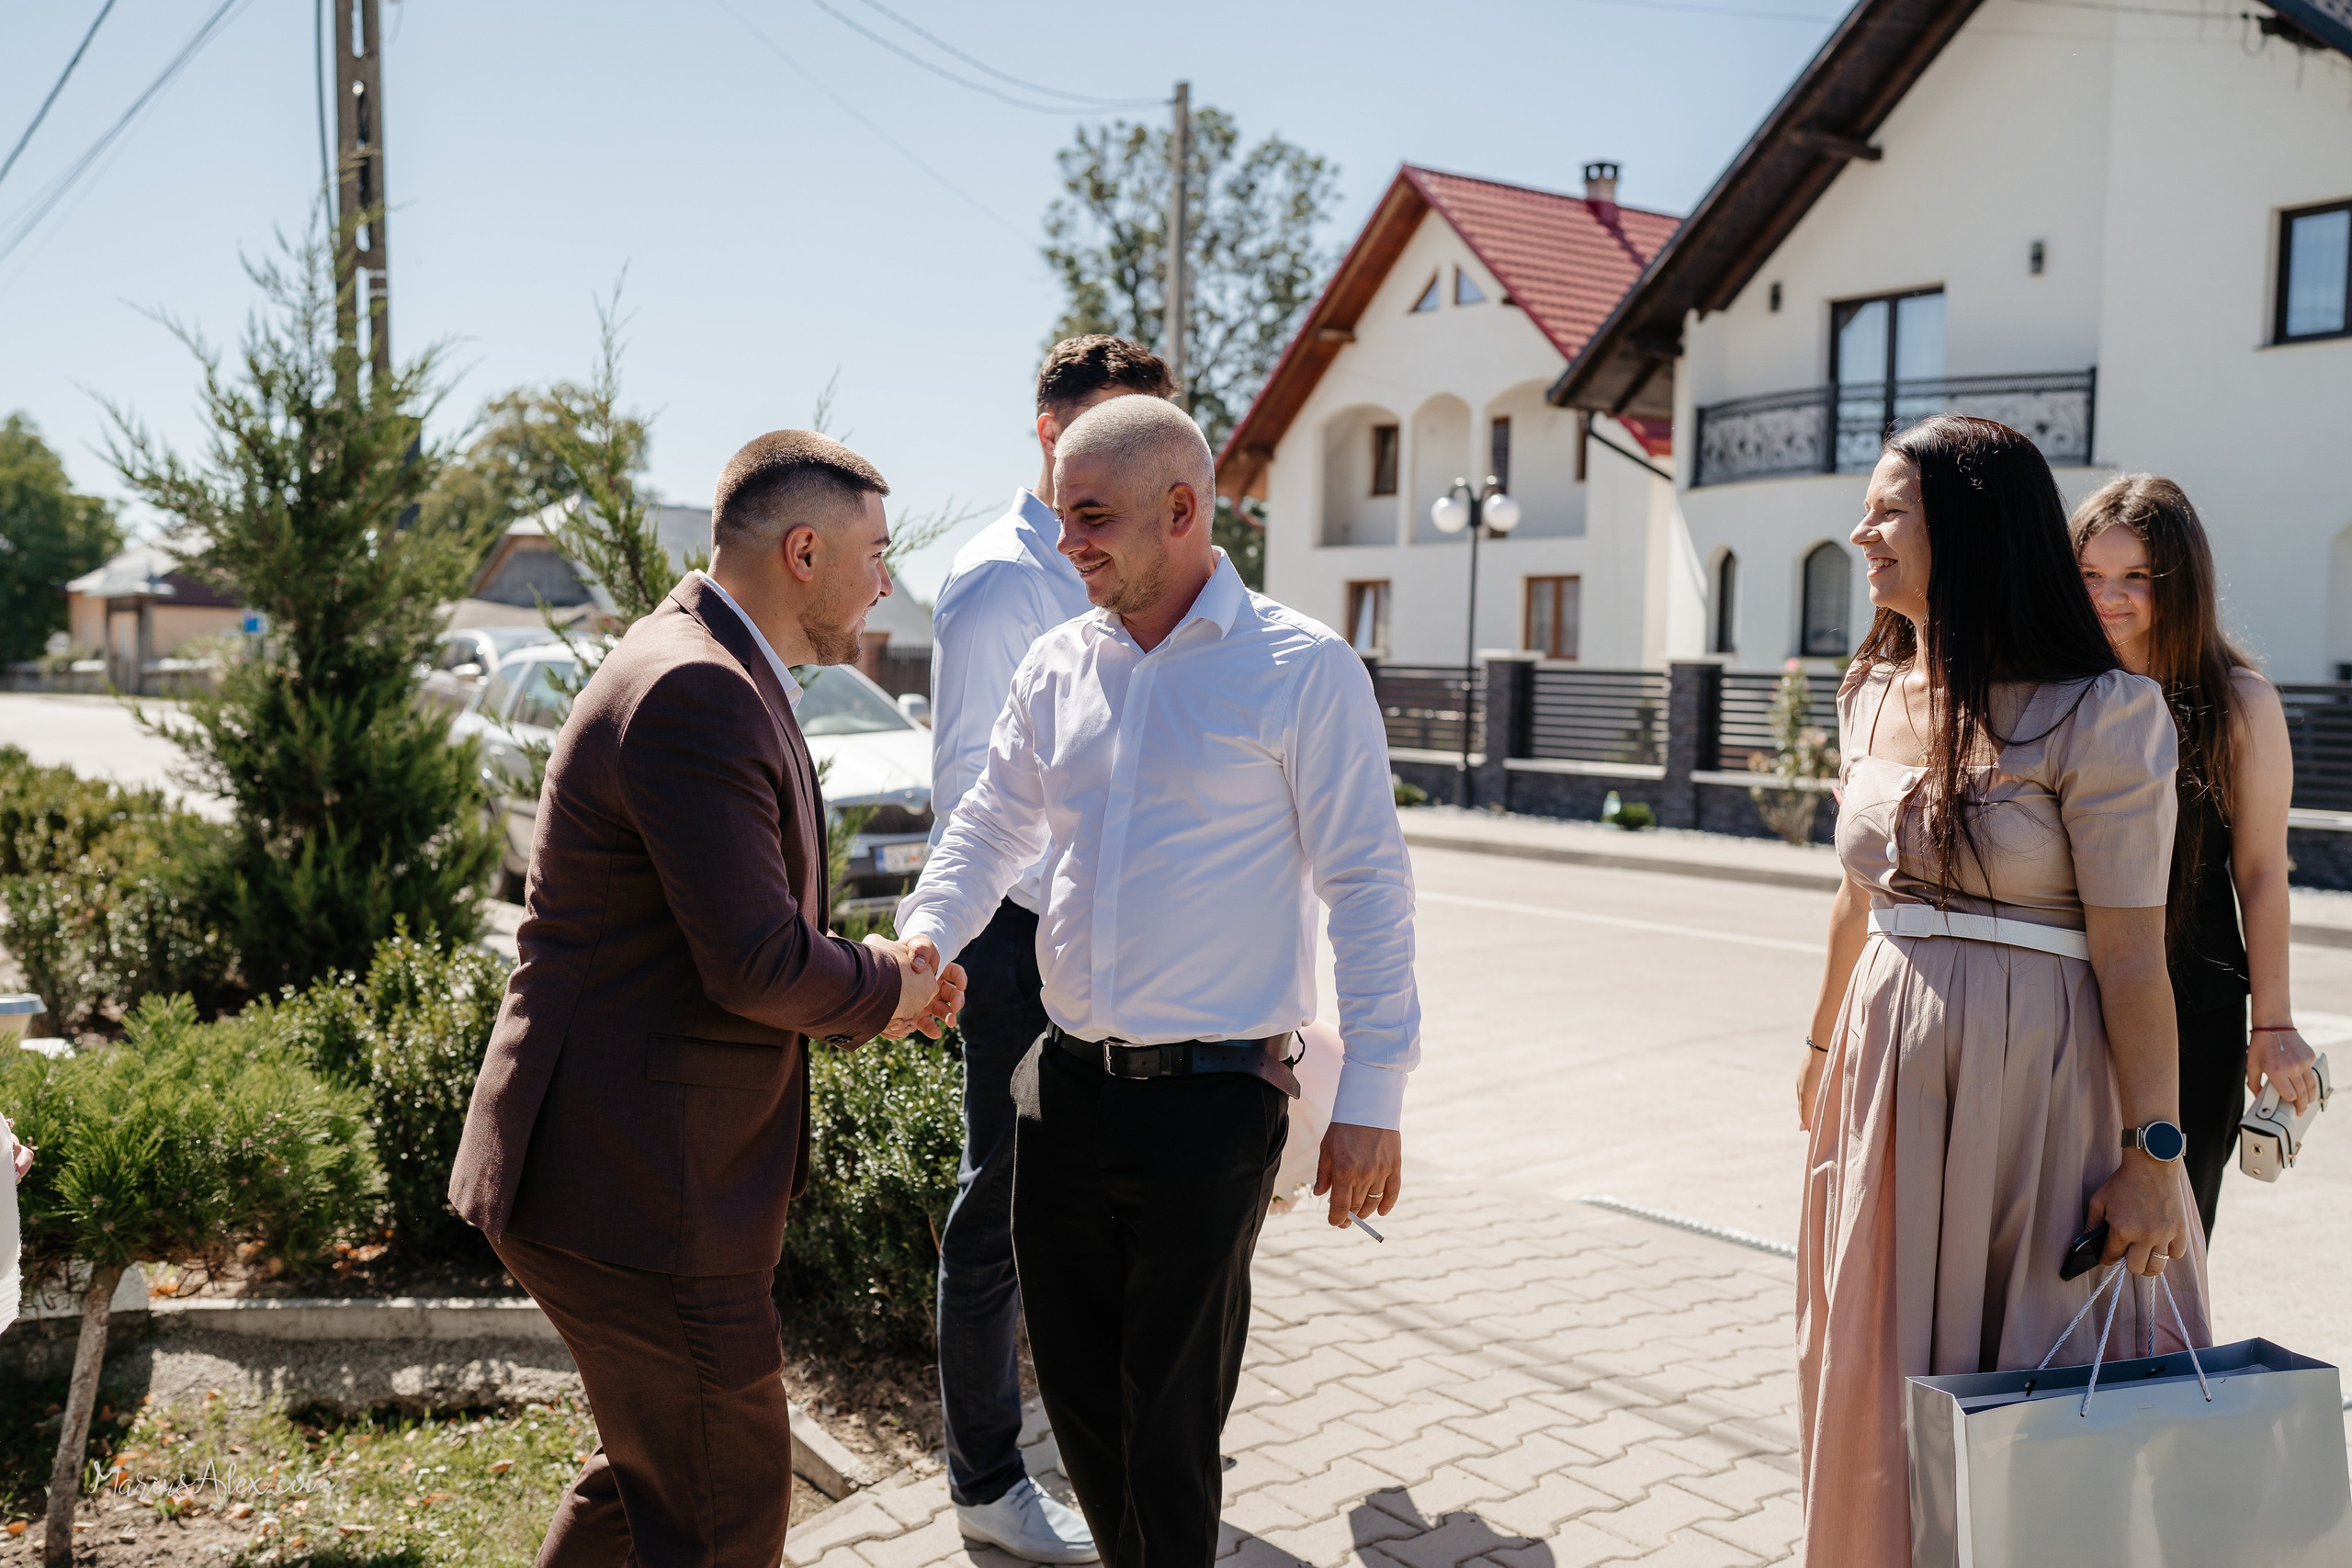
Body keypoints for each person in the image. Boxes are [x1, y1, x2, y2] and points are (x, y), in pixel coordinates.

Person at [896, 395, 1419, 1568]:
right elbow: (989, 826)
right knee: (1081, 1416)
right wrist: (925, 936)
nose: (1067, 538)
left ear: (1181, 509)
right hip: (1063, 1090)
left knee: (1169, 1432)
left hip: (1214, 1105)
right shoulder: (1056, 660)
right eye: (1060, 510)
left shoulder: (1300, 669)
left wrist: (1374, 1096)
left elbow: (1369, 888)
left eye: (1091, 516)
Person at [448, 430, 963, 1568]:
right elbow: (756, 961)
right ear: (802, 551)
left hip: (626, 1178)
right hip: (636, 1193)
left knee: (649, 1488)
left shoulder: (700, 663)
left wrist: (881, 982)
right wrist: (894, 986)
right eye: (877, 554)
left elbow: (736, 934)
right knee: (727, 1518)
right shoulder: (696, 687)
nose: (887, 582)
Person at [1792, 416, 2211, 1568]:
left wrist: (2154, 1156)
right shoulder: (1870, 688)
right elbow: (1851, 896)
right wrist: (1821, 1050)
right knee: (1878, 1358)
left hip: (2038, 1095)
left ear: (1968, 533)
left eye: (1888, 512)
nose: (1861, 532)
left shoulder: (2103, 713)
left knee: (2034, 1378)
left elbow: (2133, 960)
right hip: (1886, 1079)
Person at [924, 334, 1173, 1563]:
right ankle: (983, 1475)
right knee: (1000, 1211)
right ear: (1049, 432)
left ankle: (1091, 1451)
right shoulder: (995, 582)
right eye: (1106, 437)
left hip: (1112, 941)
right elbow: (980, 799)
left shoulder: (1131, 570)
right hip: (1027, 945)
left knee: (1102, 1212)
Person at [2074, 475, 2323, 1236]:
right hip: (2065, 1000)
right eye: (2089, 575)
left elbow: (2259, 869)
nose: (2107, 597)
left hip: (2195, 1016)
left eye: (2134, 578)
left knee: (2166, 1244)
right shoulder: (2063, 690)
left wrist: (2272, 1022)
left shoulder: (2241, 702)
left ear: (2178, 584)